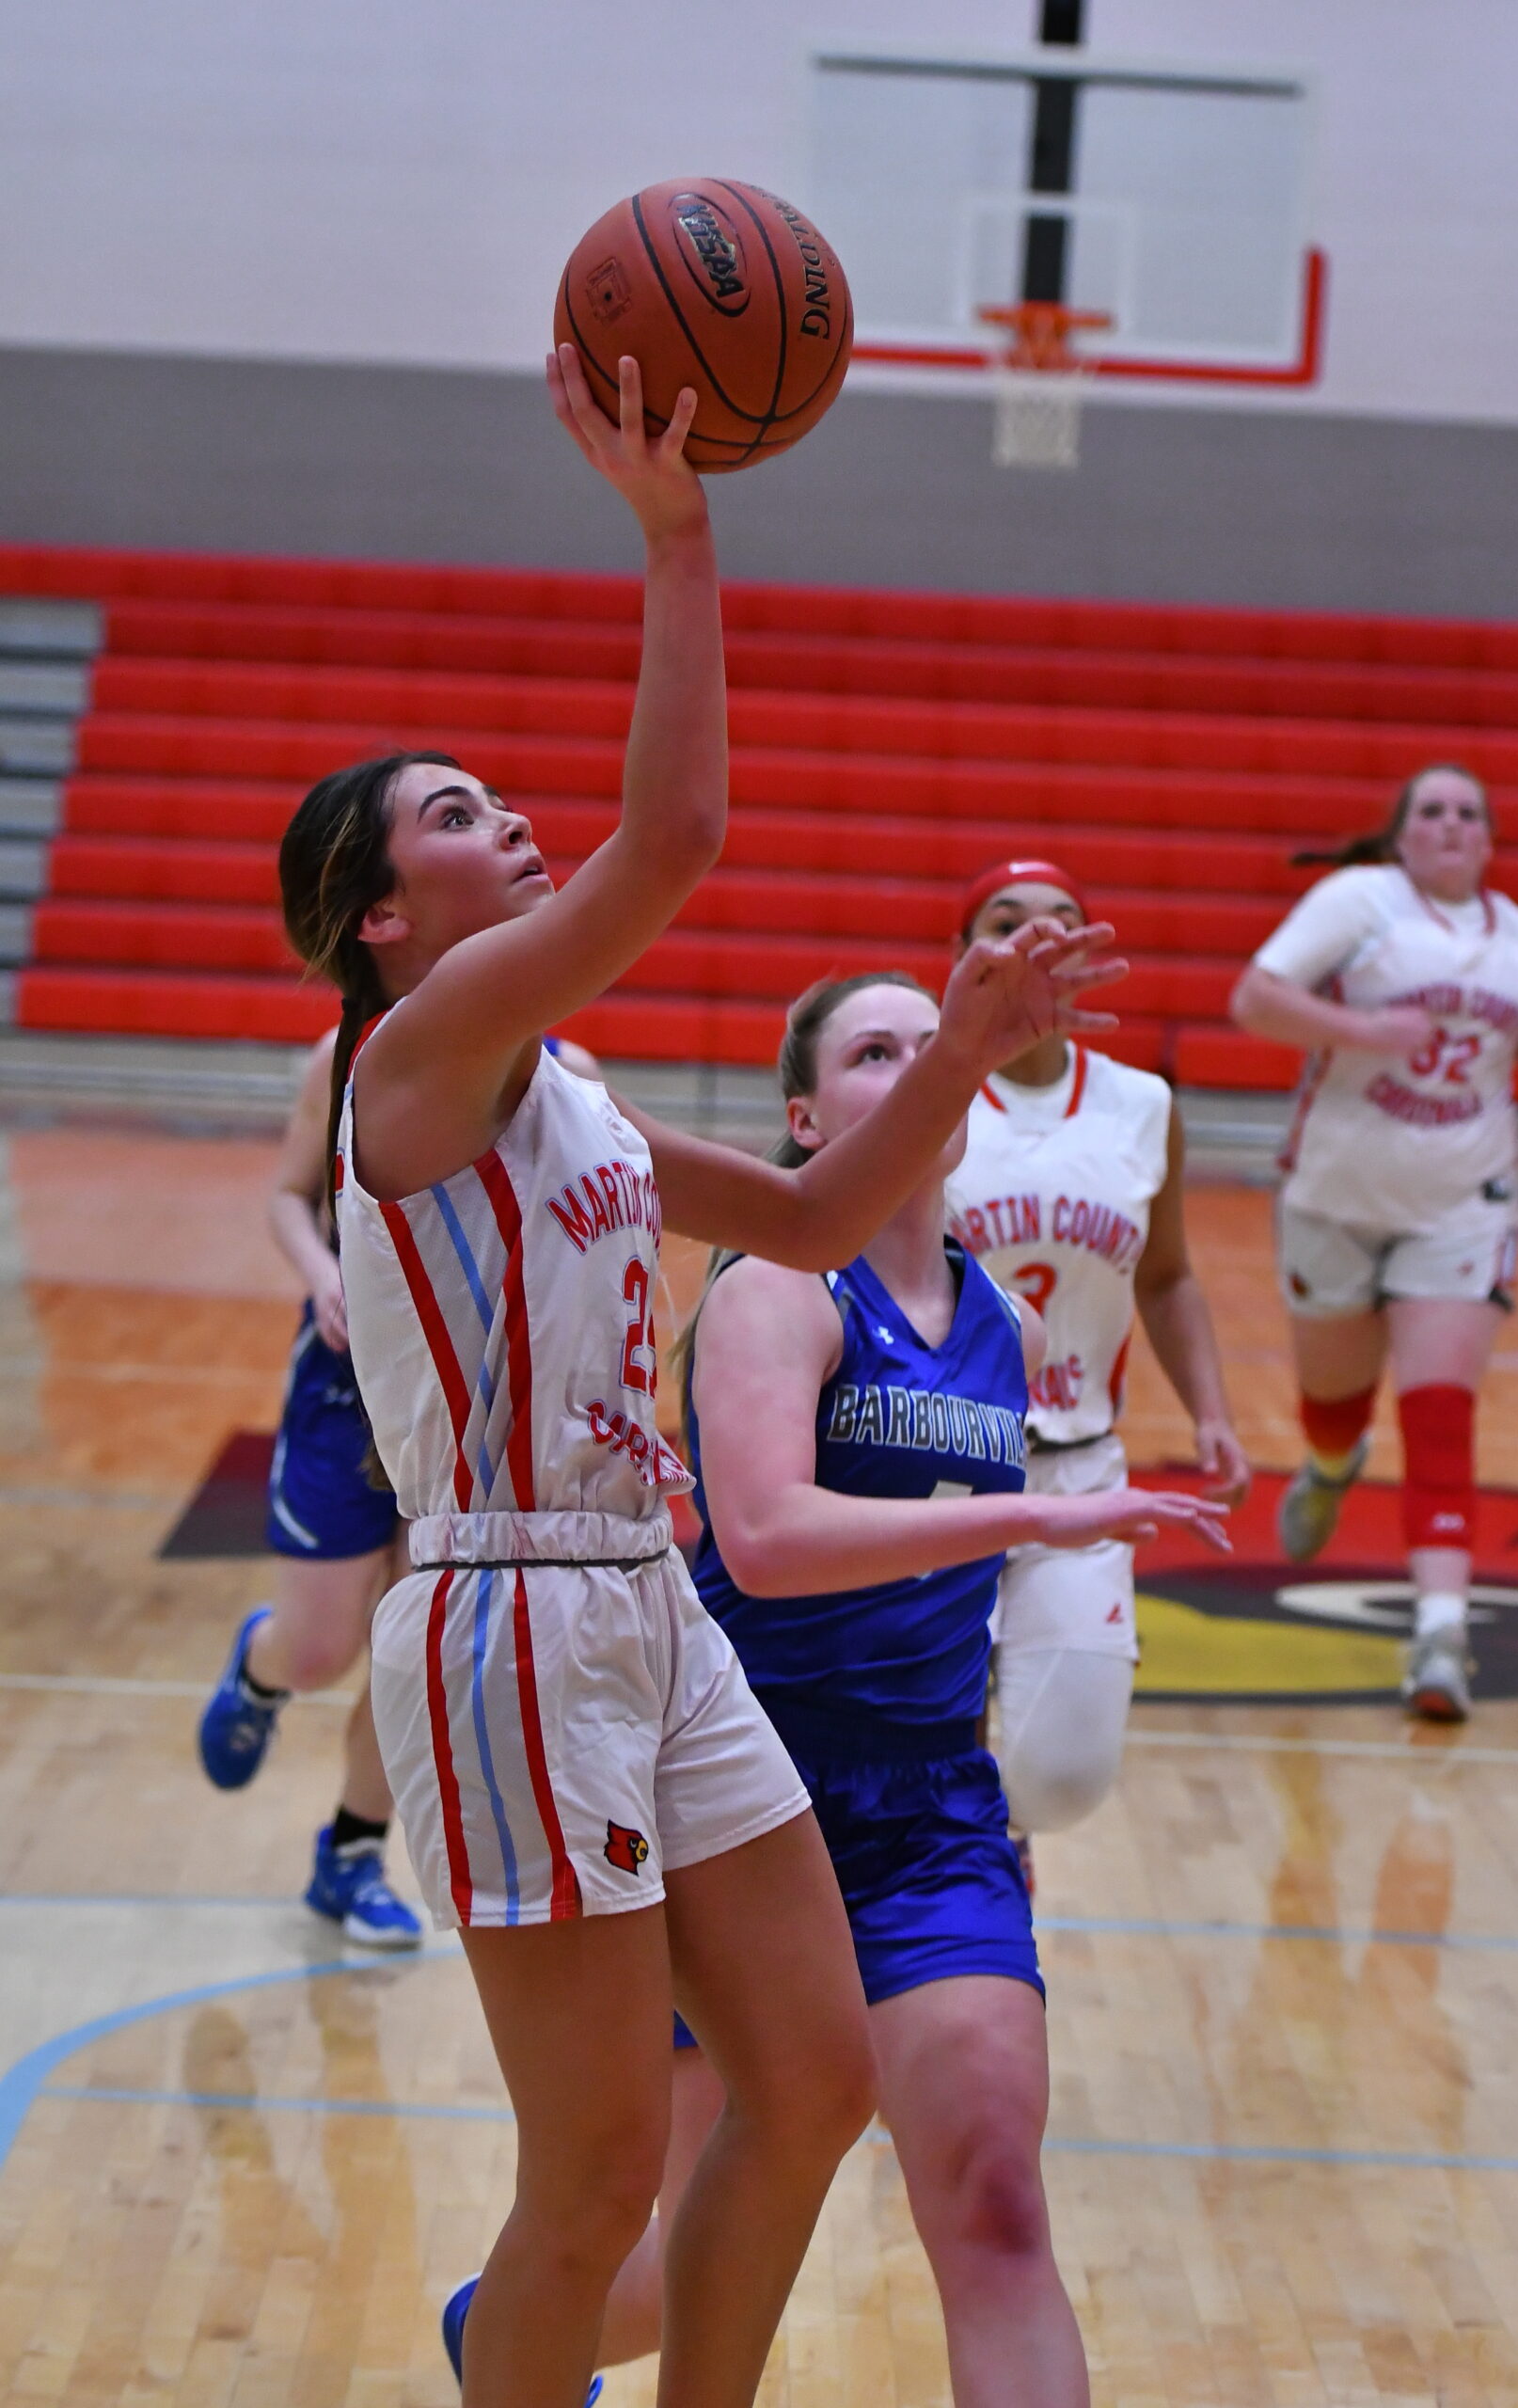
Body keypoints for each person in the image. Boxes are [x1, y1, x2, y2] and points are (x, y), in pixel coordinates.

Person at [274, 345, 1127, 2408]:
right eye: (460, 818)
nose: (515, 819)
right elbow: (675, 834)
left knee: (816, 2072)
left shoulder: (561, 1085)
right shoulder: (411, 1062)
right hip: (504, 1614)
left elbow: (828, 1214)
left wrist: (961, 1033)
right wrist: (678, 531)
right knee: (584, 2186)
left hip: (643, 1606)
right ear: (387, 915)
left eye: (501, 794)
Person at [585, 970, 1231, 2408]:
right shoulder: (775, 1284)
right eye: (876, 1050)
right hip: (745, 1806)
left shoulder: (997, 1312)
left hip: (932, 1805)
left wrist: (988, 1754)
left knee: (997, 2200)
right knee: (652, 2259)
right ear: (806, 1117)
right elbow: (765, 1538)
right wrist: (1031, 1518)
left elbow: (947, 1594)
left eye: (929, 1043)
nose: (919, 1064)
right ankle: (504, 2339)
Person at [197, 1028, 597, 1945]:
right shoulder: (346, 1055)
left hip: (473, 1402)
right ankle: (265, 1667)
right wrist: (324, 1271)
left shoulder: (567, 1076)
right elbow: (288, 1198)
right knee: (319, 1651)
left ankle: (351, 1853)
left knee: (413, 1651)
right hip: (349, 1387)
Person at [1229, 763, 1518, 1720]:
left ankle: (1438, 1634)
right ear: (1402, 833)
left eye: (1470, 810)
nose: (1451, 823)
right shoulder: (1358, 900)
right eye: (1431, 809)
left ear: (1489, 838)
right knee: (1331, 1406)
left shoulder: (1516, 933)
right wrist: (1363, 1027)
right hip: (1335, 1194)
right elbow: (1252, 1000)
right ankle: (1333, 1465)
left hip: (1464, 1202)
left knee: (1439, 1412)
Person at [945, 861, 1251, 1868]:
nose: (1039, 935)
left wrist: (1208, 1410)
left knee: (1062, 1774)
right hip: (932, 1462)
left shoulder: (1142, 1103)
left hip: (1078, 1462)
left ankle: (1008, 1837)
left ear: (1090, 959)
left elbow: (1165, 1276)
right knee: (914, 1744)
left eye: (1063, 921)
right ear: (965, 959)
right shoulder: (921, 1089)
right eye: (1008, 920)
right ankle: (964, 1915)